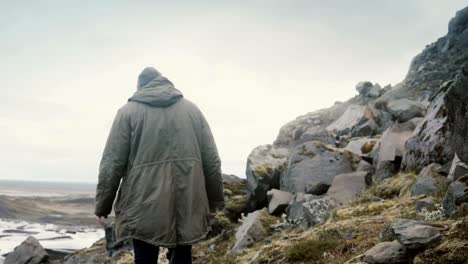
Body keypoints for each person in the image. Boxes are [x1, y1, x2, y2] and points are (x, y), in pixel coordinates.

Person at [94, 67, 225, 264]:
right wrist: (215, 200)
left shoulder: (127, 113)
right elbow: (212, 161)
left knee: (145, 257)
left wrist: (102, 206)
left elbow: (112, 163)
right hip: (187, 200)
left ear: (140, 88)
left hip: (143, 203)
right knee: (182, 255)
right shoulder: (192, 110)